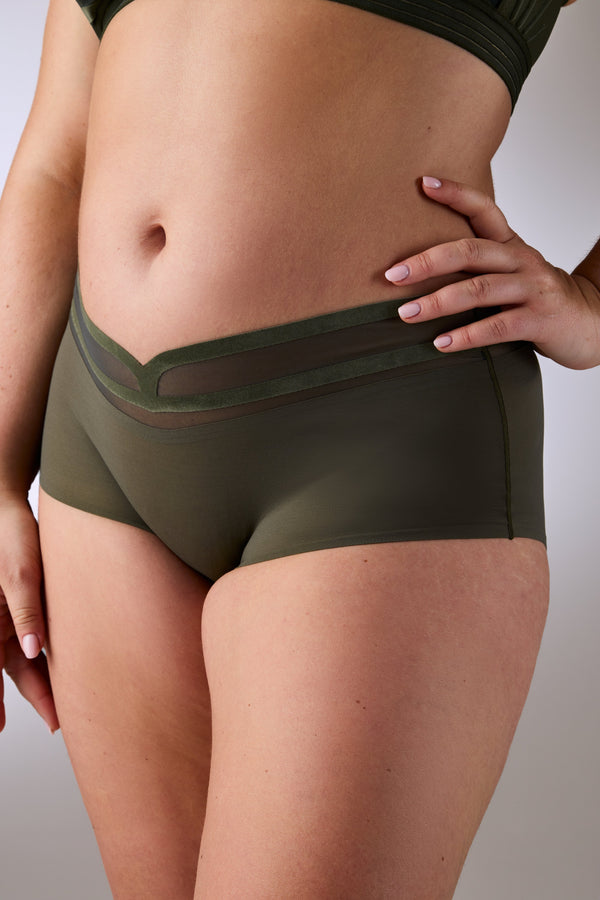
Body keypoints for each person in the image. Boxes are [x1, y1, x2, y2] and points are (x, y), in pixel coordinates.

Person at [0, 0, 598, 897]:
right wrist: (0, 471)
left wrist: (592, 309)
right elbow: (56, 160)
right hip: (98, 445)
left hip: (376, 427)